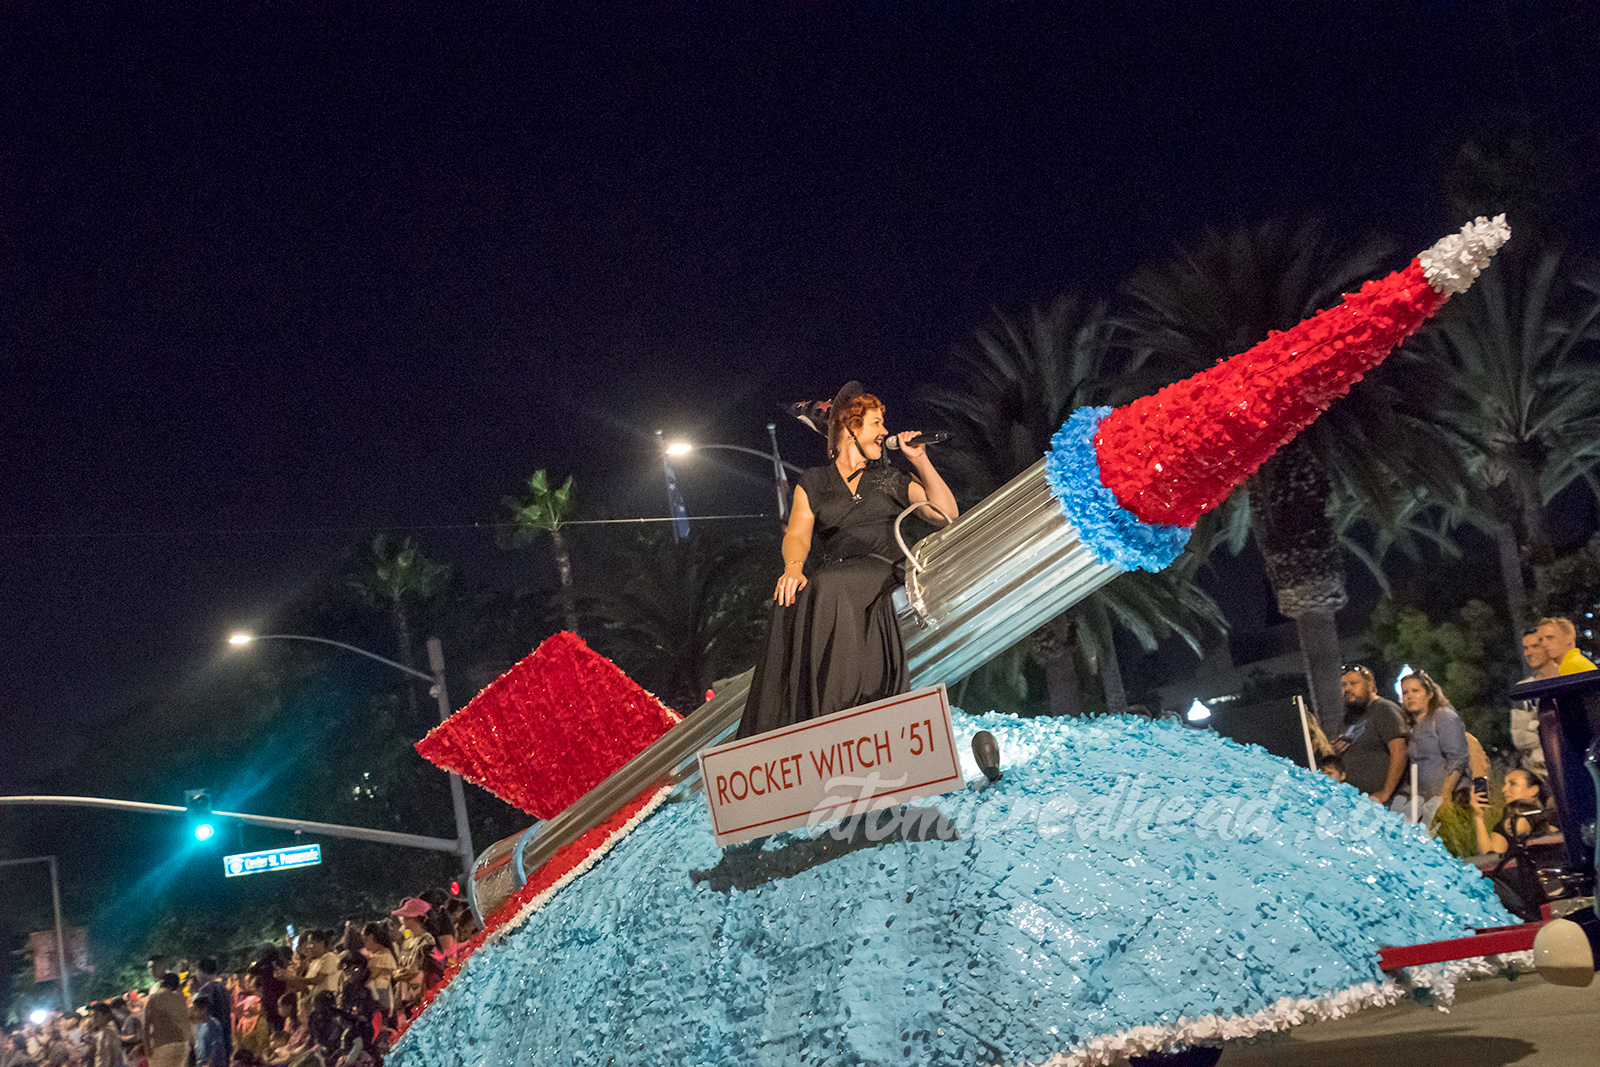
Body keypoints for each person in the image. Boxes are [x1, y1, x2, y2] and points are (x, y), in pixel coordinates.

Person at [738, 384, 958, 738]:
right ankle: (783, 725)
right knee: (790, 598)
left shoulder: (890, 477)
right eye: (876, 423)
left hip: (883, 566)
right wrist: (792, 569)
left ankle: (843, 709)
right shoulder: (814, 482)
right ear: (851, 428)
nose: (885, 431)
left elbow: (946, 514)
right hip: (838, 571)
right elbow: (797, 533)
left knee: (828, 584)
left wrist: (919, 460)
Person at [1334, 666, 1409, 808]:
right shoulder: (1347, 720)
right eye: (1344, 685)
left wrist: (1386, 793)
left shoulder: (1383, 709)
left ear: (1371, 685)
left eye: (1354, 683)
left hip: (1388, 803)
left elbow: (1399, 751)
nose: (1348, 689)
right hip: (1360, 804)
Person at [1398, 669, 1469, 821]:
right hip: (1425, 802)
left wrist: (1445, 794)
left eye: (1415, 691)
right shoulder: (1411, 726)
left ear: (1430, 694)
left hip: (1451, 797)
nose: (1410, 696)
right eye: (1405, 693)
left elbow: (1457, 758)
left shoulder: (1443, 716)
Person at [1470, 768, 1555, 856]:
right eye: (1505, 784)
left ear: (1533, 790)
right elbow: (1491, 857)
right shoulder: (1504, 825)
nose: (1504, 789)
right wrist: (1478, 816)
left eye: (1513, 783)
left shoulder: (1554, 816)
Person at [1510, 628, 1556, 779]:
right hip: (1541, 774)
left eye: (1535, 646)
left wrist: (1536, 726)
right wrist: (1552, 728)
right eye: (1525, 648)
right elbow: (1520, 739)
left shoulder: (1572, 679)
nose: (1528, 653)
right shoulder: (1524, 689)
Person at [391, 899, 438, 1015]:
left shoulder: (426, 940)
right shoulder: (409, 941)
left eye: (406, 917)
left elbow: (414, 969)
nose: (403, 920)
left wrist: (397, 974)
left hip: (419, 995)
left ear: (415, 918)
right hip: (406, 996)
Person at [141, 973, 191, 1067]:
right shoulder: (181, 999)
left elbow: (145, 1027)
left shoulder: (153, 999)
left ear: (162, 983)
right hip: (182, 1046)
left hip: (162, 1046)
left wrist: (148, 1051)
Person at [360, 922, 399, 1019]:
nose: (364, 944)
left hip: (381, 1001)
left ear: (371, 937)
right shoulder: (375, 955)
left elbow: (367, 975)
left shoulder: (384, 957)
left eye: (365, 940)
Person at [190, 998, 226, 1067]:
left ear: (204, 1010)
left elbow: (216, 1048)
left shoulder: (213, 1024)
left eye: (196, 1009)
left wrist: (209, 1064)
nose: (194, 1012)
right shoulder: (201, 1025)